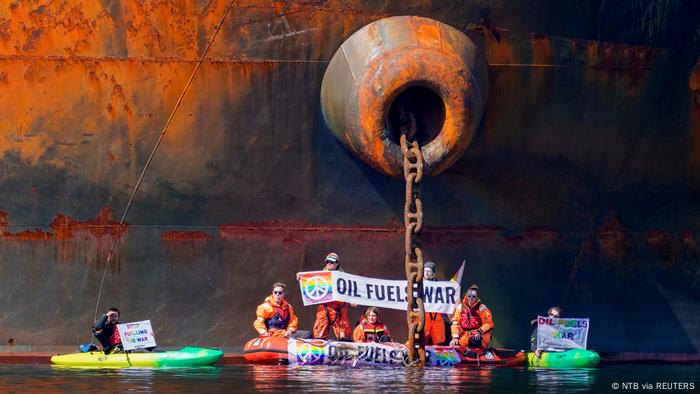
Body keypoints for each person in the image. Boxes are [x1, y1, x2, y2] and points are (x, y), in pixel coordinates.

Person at [312, 252, 350, 340]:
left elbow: (350, 290)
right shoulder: (318, 276)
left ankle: (342, 351)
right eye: (327, 262)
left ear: (337, 263)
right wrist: (301, 278)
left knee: (343, 335)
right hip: (324, 308)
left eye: (331, 262)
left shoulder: (344, 277)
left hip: (339, 308)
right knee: (319, 335)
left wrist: (352, 300)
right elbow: (307, 284)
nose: (329, 264)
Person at [449, 285, 494, 349]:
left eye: (474, 296)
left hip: (480, 335)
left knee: (474, 342)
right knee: (455, 345)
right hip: (466, 335)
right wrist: (455, 337)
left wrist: (479, 332)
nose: (471, 298)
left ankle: (481, 354)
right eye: (469, 296)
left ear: (477, 297)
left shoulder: (482, 308)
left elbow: (488, 323)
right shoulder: (460, 307)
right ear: (466, 296)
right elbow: (455, 323)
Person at [423, 261, 448, 345]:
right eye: (425, 270)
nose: (426, 273)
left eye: (429, 271)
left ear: (433, 273)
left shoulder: (440, 287)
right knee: (417, 339)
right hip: (424, 317)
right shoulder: (419, 285)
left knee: (440, 342)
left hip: (437, 318)